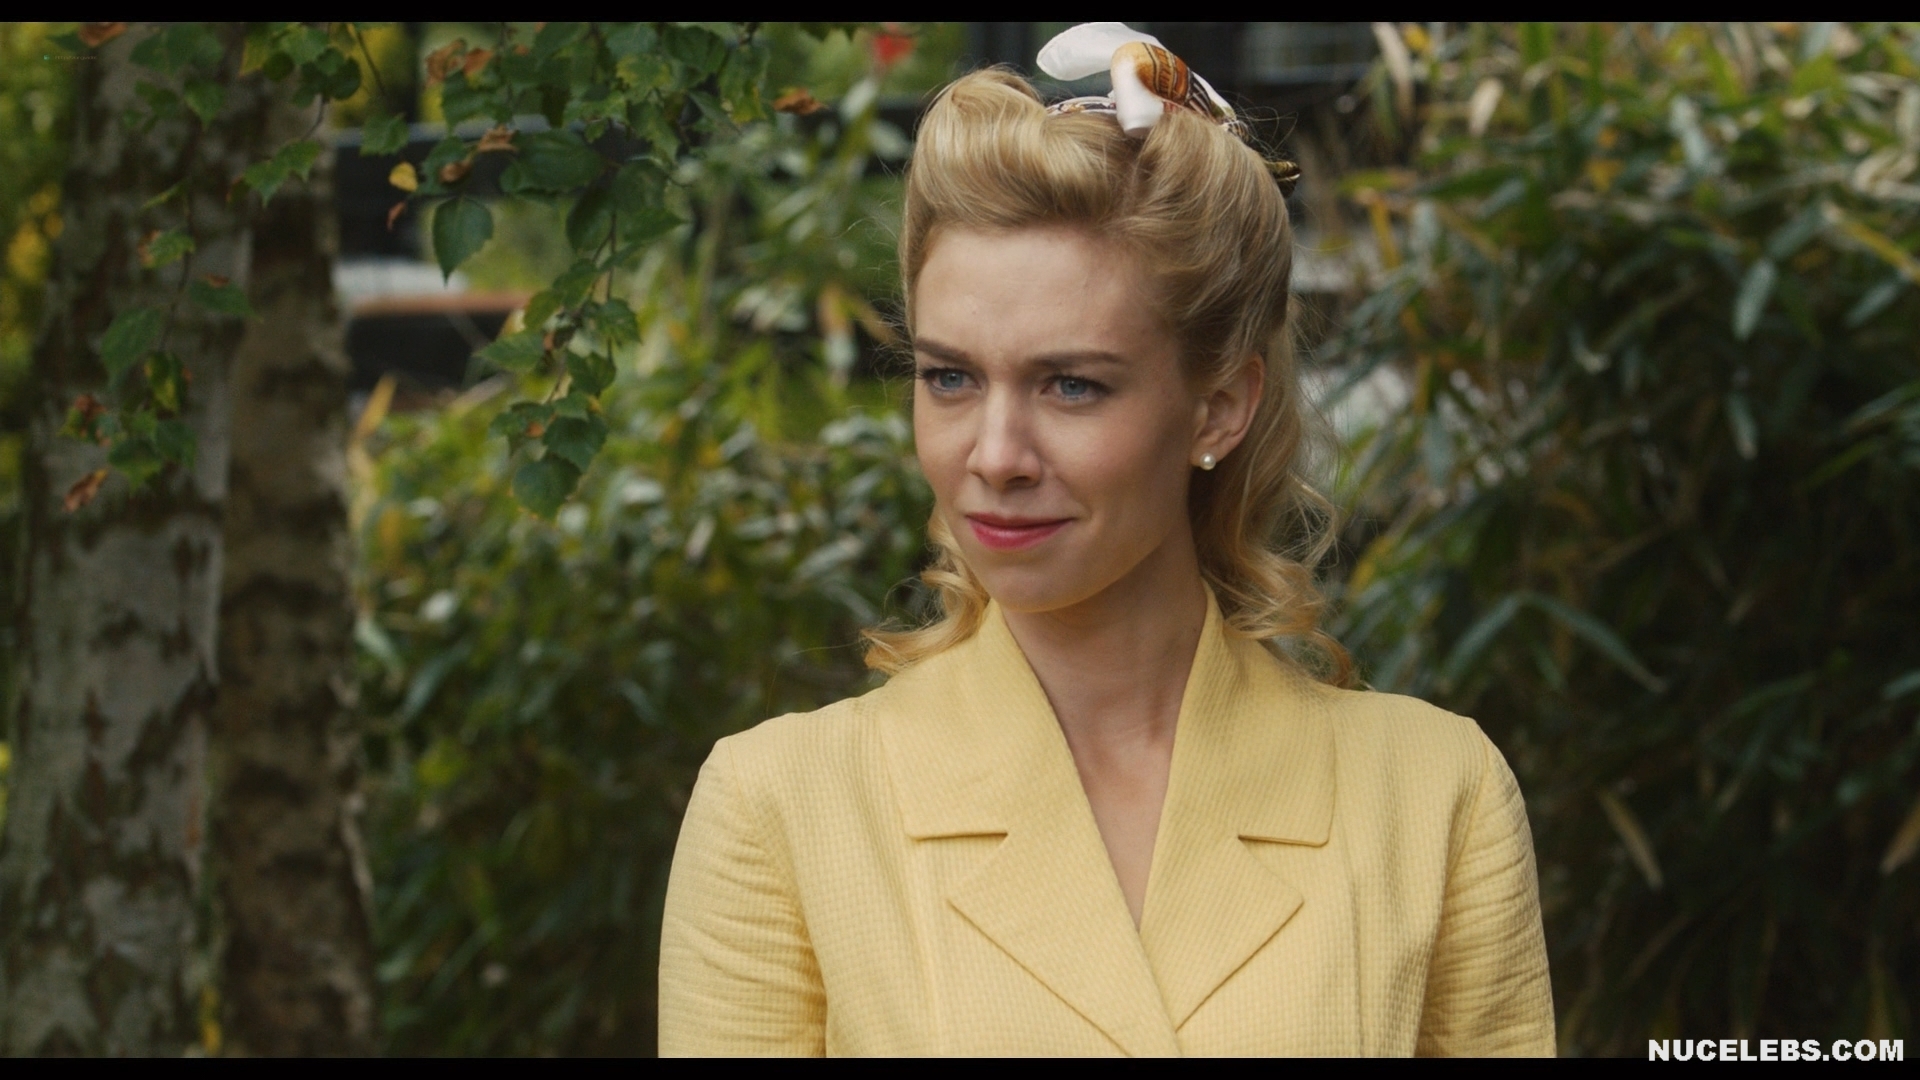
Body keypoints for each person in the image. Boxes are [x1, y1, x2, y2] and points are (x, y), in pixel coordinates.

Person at [657, 24, 1554, 1057]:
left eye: (1071, 386)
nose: (995, 454)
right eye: (950, 377)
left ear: (1220, 408)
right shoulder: (783, 808)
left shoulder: (1433, 797)